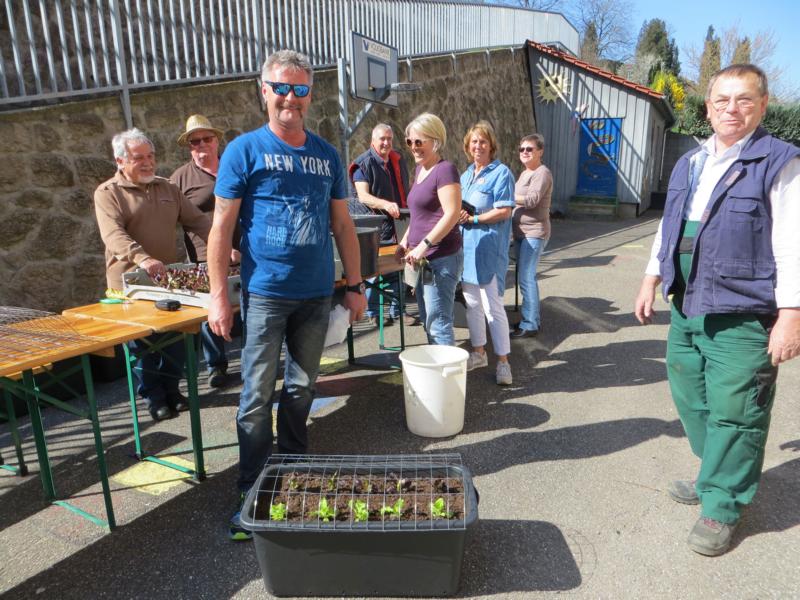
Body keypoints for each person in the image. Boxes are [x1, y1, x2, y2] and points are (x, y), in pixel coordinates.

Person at [634, 64, 800, 556]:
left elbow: (793, 244)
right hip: (688, 304)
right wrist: (651, 277)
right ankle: (715, 475)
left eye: (743, 99)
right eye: (722, 100)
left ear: (763, 105)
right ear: (707, 106)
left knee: (737, 413)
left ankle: (723, 504)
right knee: (691, 400)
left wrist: (791, 315)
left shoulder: (780, 162)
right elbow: (670, 228)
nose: (731, 108)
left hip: (744, 313)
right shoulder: (691, 161)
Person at [206, 50, 367, 541]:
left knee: (300, 390)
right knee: (255, 397)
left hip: (316, 295)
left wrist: (356, 286)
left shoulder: (326, 155)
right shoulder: (243, 151)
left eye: (299, 89)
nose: (289, 98)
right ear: (264, 91)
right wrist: (219, 294)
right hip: (265, 295)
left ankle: (294, 475)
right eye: (281, 87)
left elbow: (342, 223)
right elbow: (221, 228)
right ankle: (252, 489)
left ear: (310, 95)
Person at [94, 127, 211, 421]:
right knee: (143, 345)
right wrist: (142, 258)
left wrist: (225, 246)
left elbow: (197, 221)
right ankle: (153, 397)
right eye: (138, 158)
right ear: (120, 161)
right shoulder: (108, 194)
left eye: (151, 156)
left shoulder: (168, 187)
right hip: (129, 283)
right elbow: (113, 235)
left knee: (174, 339)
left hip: (166, 280)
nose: (148, 163)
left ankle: (173, 391)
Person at [171, 114, 241, 389]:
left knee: (250, 304)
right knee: (212, 306)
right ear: (189, 147)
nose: (201, 145)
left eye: (206, 139)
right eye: (194, 141)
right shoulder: (180, 178)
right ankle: (216, 367)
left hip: (242, 251)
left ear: (216, 141)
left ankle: (256, 360)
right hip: (204, 255)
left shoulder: (233, 167)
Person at [397, 113, 463, 345]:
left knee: (439, 322)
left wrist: (424, 245)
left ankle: (447, 379)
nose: (413, 147)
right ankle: (438, 374)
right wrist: (406, 242)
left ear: (435, 141)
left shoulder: (445, 170)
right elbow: (419, 216)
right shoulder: (420, 170)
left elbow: (452, 213)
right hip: (423, 260)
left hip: (441, 258)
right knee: (428, 318)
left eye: (419, 142)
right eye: (409, 142)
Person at [457, 121, 515, 385]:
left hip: (490, 250)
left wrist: (475, 219)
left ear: (492, 145)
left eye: (483, 141)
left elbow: (505, 211)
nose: (478, 146)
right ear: (467, 147)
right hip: (467, 249)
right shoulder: (466, 175)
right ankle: (479, 352)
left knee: (493, 308)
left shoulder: (501, 173)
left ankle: (503, 362)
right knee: (472, 306)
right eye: (474, 142)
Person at [349, 123, 414, 327]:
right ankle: (373, 312)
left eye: (389, 139)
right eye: (382, 139)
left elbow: (406, 187)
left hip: (398, 225)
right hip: (374, 228)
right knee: (373, 274)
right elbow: (363, 196)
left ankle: (399, 311)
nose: (386, 143)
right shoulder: (363, 164)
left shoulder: (397, 160)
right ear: (373, 141)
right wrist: (386, 205)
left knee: (397, 270)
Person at [511, 133, 552, 338]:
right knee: (524, 277)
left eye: (530, 149)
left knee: (527, 277)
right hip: (521, 234)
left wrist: (508, 197)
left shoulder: (542, 173)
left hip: (534, 233)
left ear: (540, 152)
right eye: (522, 149)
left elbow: (533, 200)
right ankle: (530, 317)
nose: (525, 152)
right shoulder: (525, 173)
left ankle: (530, 323)